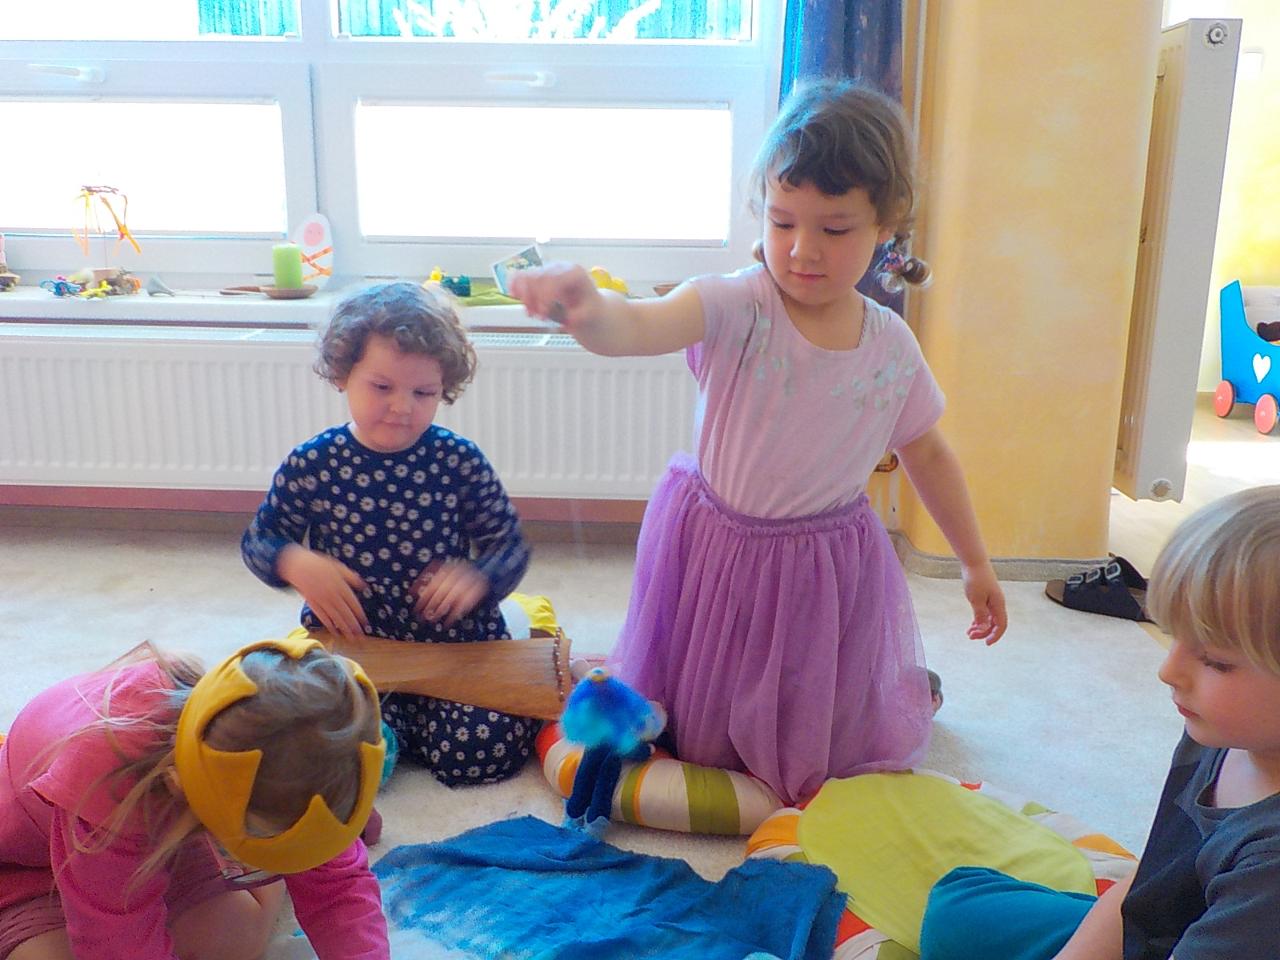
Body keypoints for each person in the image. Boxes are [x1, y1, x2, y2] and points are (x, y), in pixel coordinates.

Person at [510, 78, 1006, 804]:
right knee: (703, 723)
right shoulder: (736, 302)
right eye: (782, 222)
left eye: (835, 229)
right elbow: (637, 325)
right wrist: (587, 309)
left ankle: (894, 691)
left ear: (886, 226)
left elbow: (927, 453)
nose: (803, 250)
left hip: (820, 565)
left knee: (815, 722)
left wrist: (974, 562)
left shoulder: (891, 346)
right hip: (717, 546)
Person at [919, 485, 1280, 959]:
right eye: (1172, 635)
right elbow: (1150, 881)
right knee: (956, 908)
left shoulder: (1270, 870)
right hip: (1154, 933)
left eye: (1215, 661)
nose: (1168, 671)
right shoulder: (1221, 730)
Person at [241, 281, 535, 787]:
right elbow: (259, 540)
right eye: (382, 387)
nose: (402, 407)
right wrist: (294, 561)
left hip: (450, 648)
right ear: (342, 374)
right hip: (358, 649)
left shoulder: (458, 459)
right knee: (319, 744)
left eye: (423, 393)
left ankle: (410, 730)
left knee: (480, 753)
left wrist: (478, 578)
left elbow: (508, 545)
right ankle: (390, 731)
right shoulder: (313, 462)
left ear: (443, 388)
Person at [0, 633, 389, 960]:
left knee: (237, 938)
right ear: (183, 787)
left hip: (153, 830)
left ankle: (282, 859)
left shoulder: (275, 752)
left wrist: (325, 850)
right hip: (28, 862)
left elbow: (342, 894)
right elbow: (118, 945)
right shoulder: (107, 791)